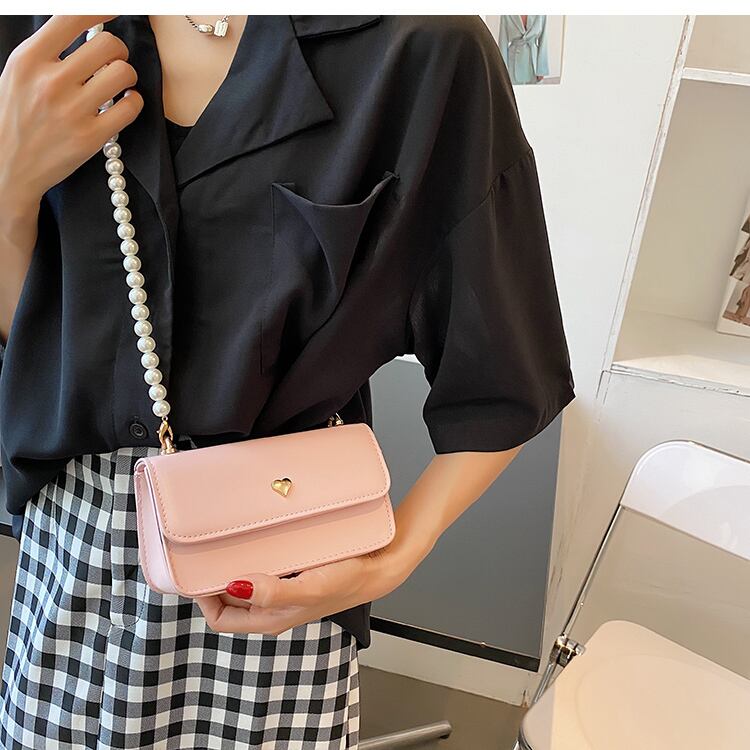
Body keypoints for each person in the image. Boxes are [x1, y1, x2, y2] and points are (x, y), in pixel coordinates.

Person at [0, 14, 576, 749]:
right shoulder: (41, 35)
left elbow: (505, 376)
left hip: (280, 563)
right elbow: (31, 344)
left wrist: (392, 557)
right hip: (73, 565)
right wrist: (7, 190)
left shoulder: (423, 50)